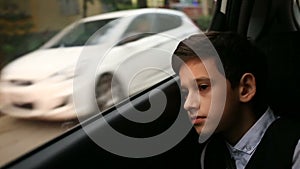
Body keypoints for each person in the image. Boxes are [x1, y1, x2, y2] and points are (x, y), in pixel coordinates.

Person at [171, 31, 300, 169]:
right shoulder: (210, 155)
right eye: (185, 93)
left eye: (203, 87)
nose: (188, 104)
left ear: (246, 88)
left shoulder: (293, 149)